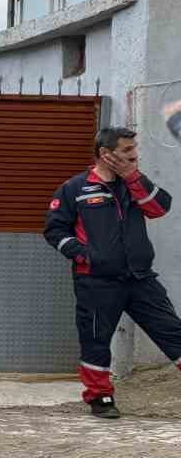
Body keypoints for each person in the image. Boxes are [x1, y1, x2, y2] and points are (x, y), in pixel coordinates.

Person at [43, 125, 181, 418]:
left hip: (140, 278)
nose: (134, 156)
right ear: (105, 154)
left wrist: (132, 176)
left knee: (172, 331)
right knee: (95, 339)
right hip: (97, 281)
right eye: (127, 150)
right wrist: (86, 256)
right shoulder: (75, 189)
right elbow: (55, 231)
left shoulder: (133, 183)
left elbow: (159, 208)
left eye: (134, 149)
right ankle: (100, 398)